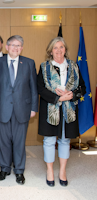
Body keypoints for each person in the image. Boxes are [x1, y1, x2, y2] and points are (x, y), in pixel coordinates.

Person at [37, 37, 86, 187]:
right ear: (50, 51)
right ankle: (50, 170)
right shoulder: (44, 66)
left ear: (65, 49)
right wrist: (58, 98)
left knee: (65, 141)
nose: (58, 50)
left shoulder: (74, 66)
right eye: (55, 48)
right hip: (51, 109)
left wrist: (71, 95)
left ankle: (62, 171)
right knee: (49, 141)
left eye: (61, 47)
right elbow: (40, 88)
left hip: (69, 110)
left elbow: (82, 88)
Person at [0, 35, 38, 185]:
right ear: (6, 47)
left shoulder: (29, 63)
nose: (15, 48)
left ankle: (19, 170)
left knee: (19, 142)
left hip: (22, 108)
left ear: (22, 48)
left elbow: (34, 87)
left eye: (18, 45)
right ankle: (5, 168)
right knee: (4, 141)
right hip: (2, 108)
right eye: (12, 45)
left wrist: (33, 107)